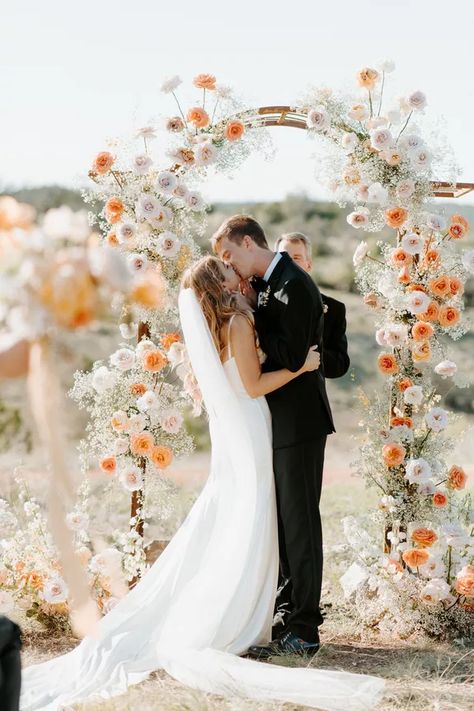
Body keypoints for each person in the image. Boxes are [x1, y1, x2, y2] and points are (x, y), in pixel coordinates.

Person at [20, 256, 384, 711]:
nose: (237, 271)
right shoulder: (233, 325)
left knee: (240, 515)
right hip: (252, 427)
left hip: (238, 431)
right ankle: (244, 613)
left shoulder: (218, 325)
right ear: (220, 282)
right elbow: (253, 385)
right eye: (227, 269)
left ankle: (256, 606)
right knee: (251, 516)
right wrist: (303, 366)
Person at [211, 215, 334, 659]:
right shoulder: (267, 285)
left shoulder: (294, 283)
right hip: (277, 423)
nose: (230, 265)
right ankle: (286, 615)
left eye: (230, 255)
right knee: (283, 526)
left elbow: (293, 354)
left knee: (301, 527)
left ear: (248, 242)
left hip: (300, 423)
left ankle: (304, 630)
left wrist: (251, 319)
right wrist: (251, 305)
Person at [275, 232, 350, 379]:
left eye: (296, 258)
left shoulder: (334, 309)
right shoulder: (263, 301)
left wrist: (312, 353)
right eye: (283, 257)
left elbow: (340, 366)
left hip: (309, 395)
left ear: (308, 264)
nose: (289, 263)